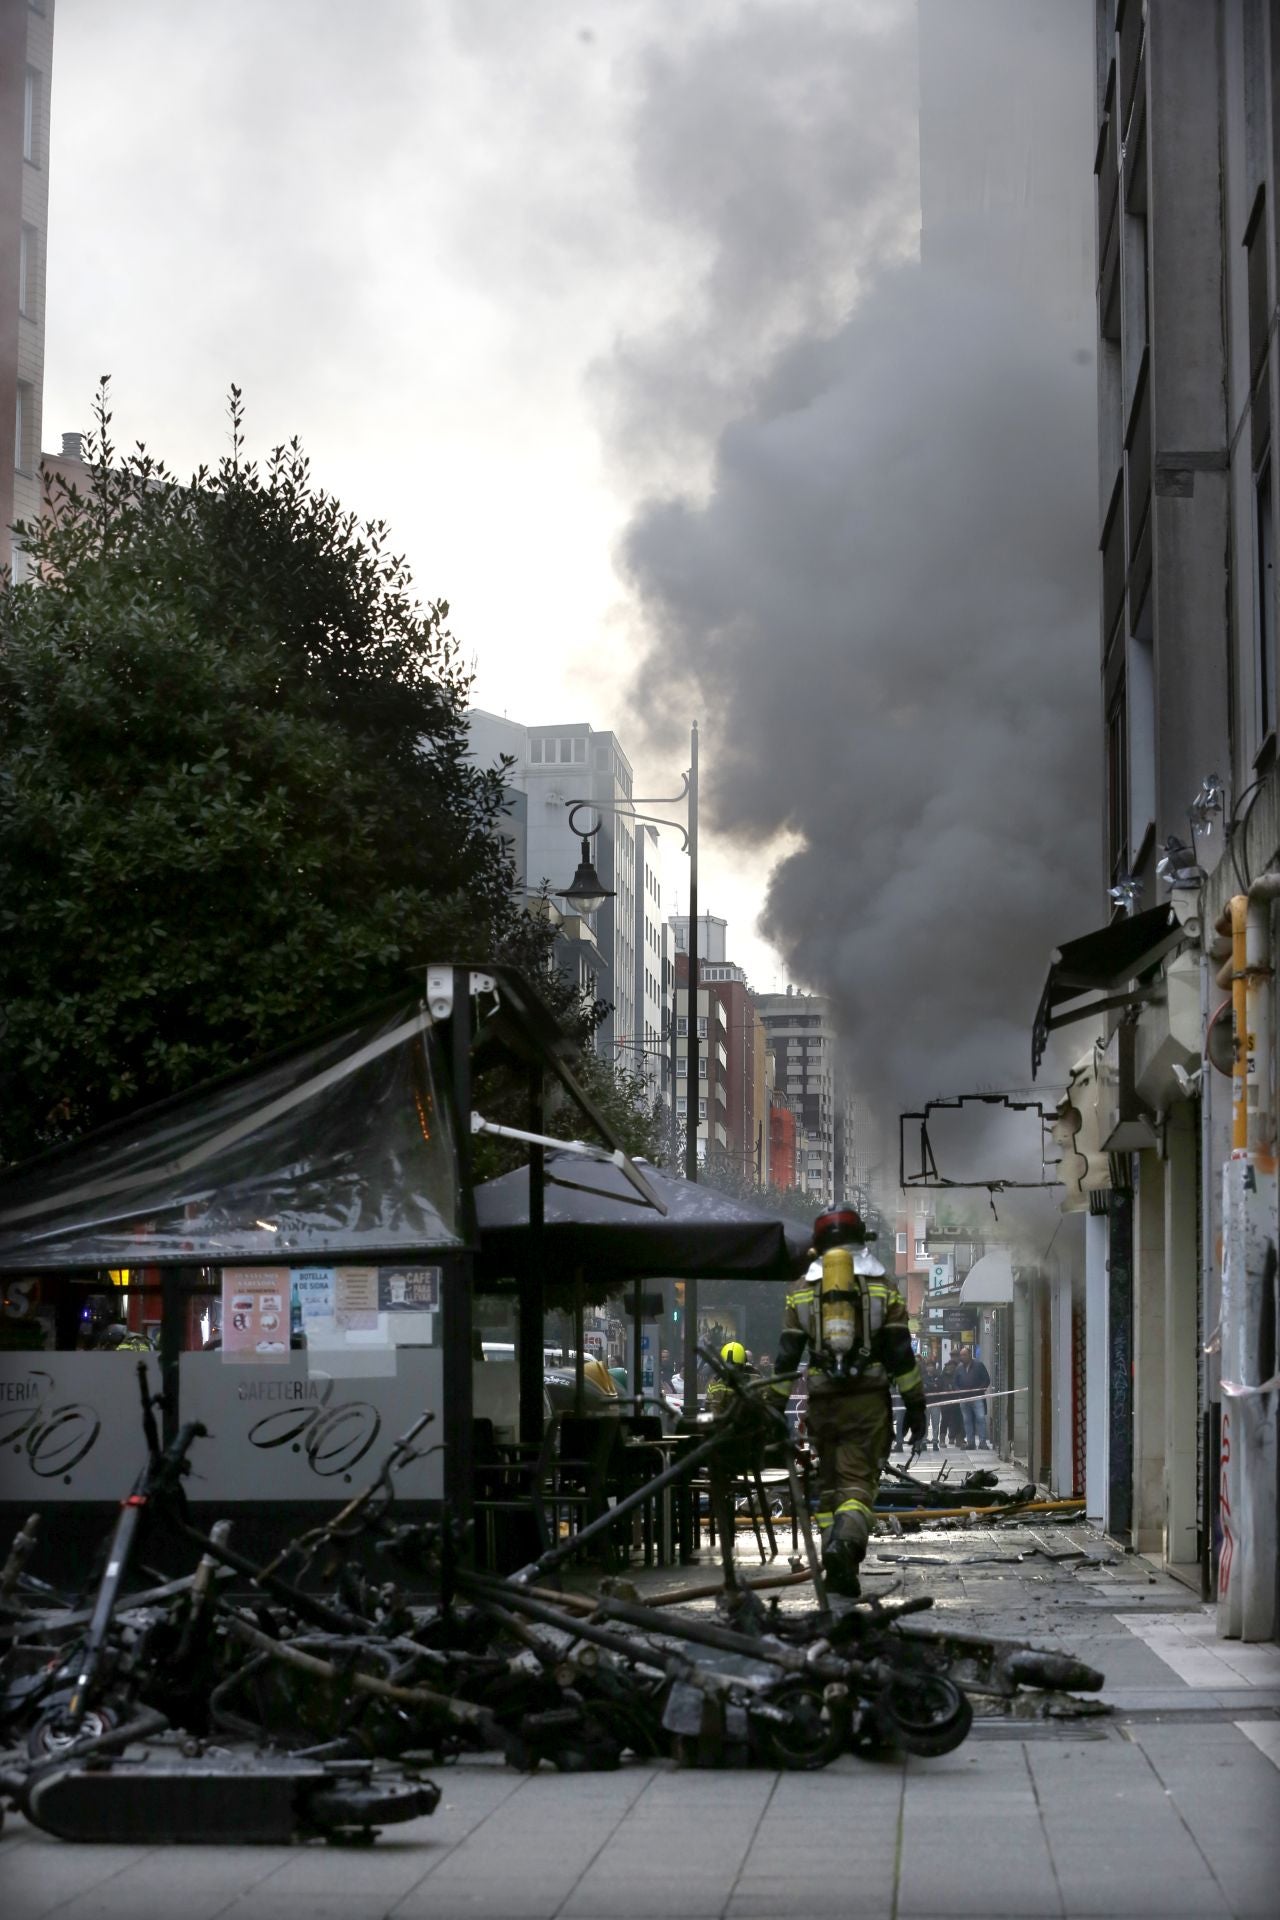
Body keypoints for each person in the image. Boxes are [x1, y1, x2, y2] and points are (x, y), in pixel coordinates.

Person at [770, 1205, 927, 1597]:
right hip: (868, 1403)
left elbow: (787, 1358)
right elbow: (901, 1355)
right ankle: (844, 1547)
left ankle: (838, 1568)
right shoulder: (883, 1287)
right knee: (858, 1485)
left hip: (822, 1405)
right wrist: (916, 1406)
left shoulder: (801, 1292)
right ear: (862, 1239)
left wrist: (774, 1409)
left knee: (829, 1485)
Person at [706, 1339, 758, 1418]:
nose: (732, 1371)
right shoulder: (755, 1380)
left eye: (735, 1367)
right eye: (728, 1367)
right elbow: (713, 1410)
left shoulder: (715, 1383)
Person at [955, 1346, 991, 1449]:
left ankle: (982, 1442)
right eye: (961, 1355)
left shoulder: (979, 1365)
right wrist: (959, 1391)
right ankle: (970, 1442)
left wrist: (979, 1390)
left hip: (977, 1398)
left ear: (970, 1355)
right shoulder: (959, 1368)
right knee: (967, 1420)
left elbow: (986, 1380)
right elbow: (955, 1382)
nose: (962, 1357)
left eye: (964, 1355)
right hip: (964, 1398)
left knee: (980, 1418)